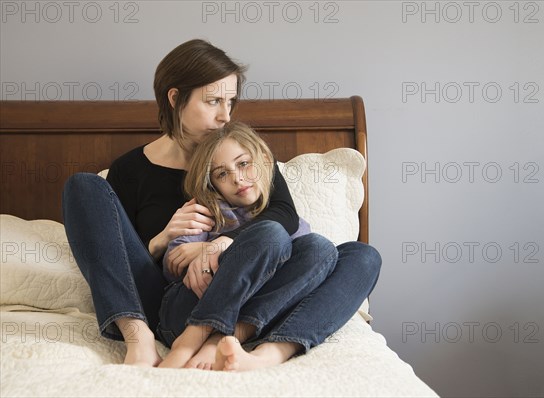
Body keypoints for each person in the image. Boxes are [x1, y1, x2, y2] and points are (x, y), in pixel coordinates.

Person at [62, 38, 381, 371]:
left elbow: (283, 217)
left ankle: (257, 351)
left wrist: (219, 246)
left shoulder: (247, 156)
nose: (224, 116)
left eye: (230, 102)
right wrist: (160, 240)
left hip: (256, 296)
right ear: (175, 99)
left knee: (361, 256)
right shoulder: (131, 170)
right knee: (82, 185)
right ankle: (138, 338)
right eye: (213, 101)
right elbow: (113, 252)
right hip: (172, 301)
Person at [158, 121, 329, 370]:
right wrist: (210, 249)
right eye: (222, 174)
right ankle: (193, 338)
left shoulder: (291, 222)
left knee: (331, 250)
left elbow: (302, 274)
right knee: (271, 234)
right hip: (188, 313)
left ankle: (229, 339)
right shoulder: (213, 212)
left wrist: (222, 246)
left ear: (263, 161)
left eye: (244, 164)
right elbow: (176, 260)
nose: (238, 179)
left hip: (252, 320)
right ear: (213, 185)